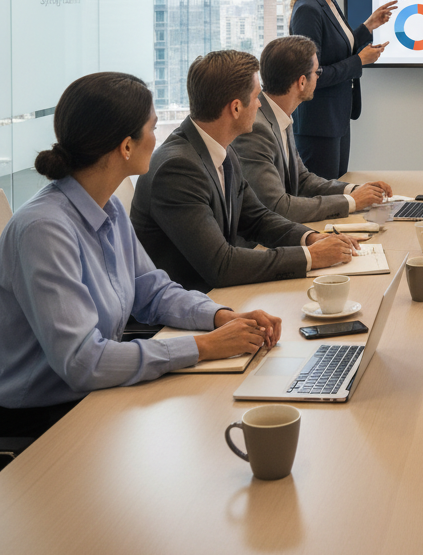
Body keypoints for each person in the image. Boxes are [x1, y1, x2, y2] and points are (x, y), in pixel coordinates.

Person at [0, 73, 282, 440]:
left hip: (96, 396)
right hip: (43, 420)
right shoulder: (43, 229)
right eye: (152, 126)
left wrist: (220, 317)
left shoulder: (110, 208)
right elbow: (82, 362)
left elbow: (153, 292)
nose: (158, 137)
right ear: (126, 146)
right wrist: (203, 347)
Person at [131, 50, 355, 293]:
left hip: (218, 297)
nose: (260, 104)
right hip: (179, 314)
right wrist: (309, 256)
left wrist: (310, 238)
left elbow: (257, 218)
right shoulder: (177, 169)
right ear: (236, 108)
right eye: (257, 96)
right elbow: (221, 265)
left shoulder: (221, 148)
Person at [232, 35, 394, 221]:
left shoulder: (279, 115)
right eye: (317, 73)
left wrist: (356, 190)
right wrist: (351, 202)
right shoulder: (257, 129)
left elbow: (302, 180)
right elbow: (278, 207)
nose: (318, 77)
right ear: (301, 82)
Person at [289, 0, 397, 178]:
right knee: (324, 201)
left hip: (336, 119)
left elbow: (335, 51)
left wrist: (368, 26)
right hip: (318, 125)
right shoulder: (308, 9)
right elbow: (311, 75)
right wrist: (360, 61)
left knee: (337, 194)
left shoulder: (327, 1)